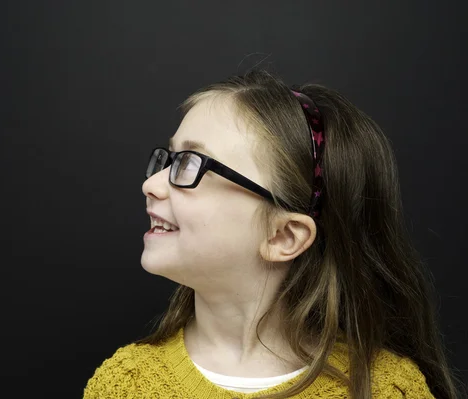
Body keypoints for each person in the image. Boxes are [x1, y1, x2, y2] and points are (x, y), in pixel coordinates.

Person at [82, 69, 465, 398]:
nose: (152, 183)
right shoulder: (124, 385)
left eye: (190, 164)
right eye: (167, 159)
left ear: (283, 236)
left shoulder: (385, 390)